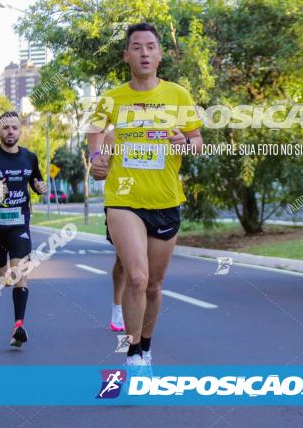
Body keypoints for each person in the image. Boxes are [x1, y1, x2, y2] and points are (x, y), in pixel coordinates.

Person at [88, 22, 203, 367]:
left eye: (150, 46)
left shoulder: (178, 95)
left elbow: (197, 141)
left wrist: (188, 142)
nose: (144, 53)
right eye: (136, 47)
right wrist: (96, 159)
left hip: (165, 199)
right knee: (136, 276)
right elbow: (95, 135)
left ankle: (147, 348)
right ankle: (134, 353)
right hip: (123, 199)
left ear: (160, 54)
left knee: (153, 285)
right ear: (126, 55)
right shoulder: (110, 99)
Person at [0, 111, 48, 347]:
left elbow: (36, 182)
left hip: (19, 224)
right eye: (6, 128)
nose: (10, 132)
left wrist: (40, 187)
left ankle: (19, 326)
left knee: (20, 272)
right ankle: (4, 280)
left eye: (14, 127)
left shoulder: (30, 158)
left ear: (20, 131)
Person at [94, 129, 125, 332]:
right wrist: (97, 167)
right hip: (122, 204)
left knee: (149, 268)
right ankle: (118, 306)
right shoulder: (113, 136)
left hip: (157, 204)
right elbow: (98, 171)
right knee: (124, 260)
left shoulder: (162, 132)